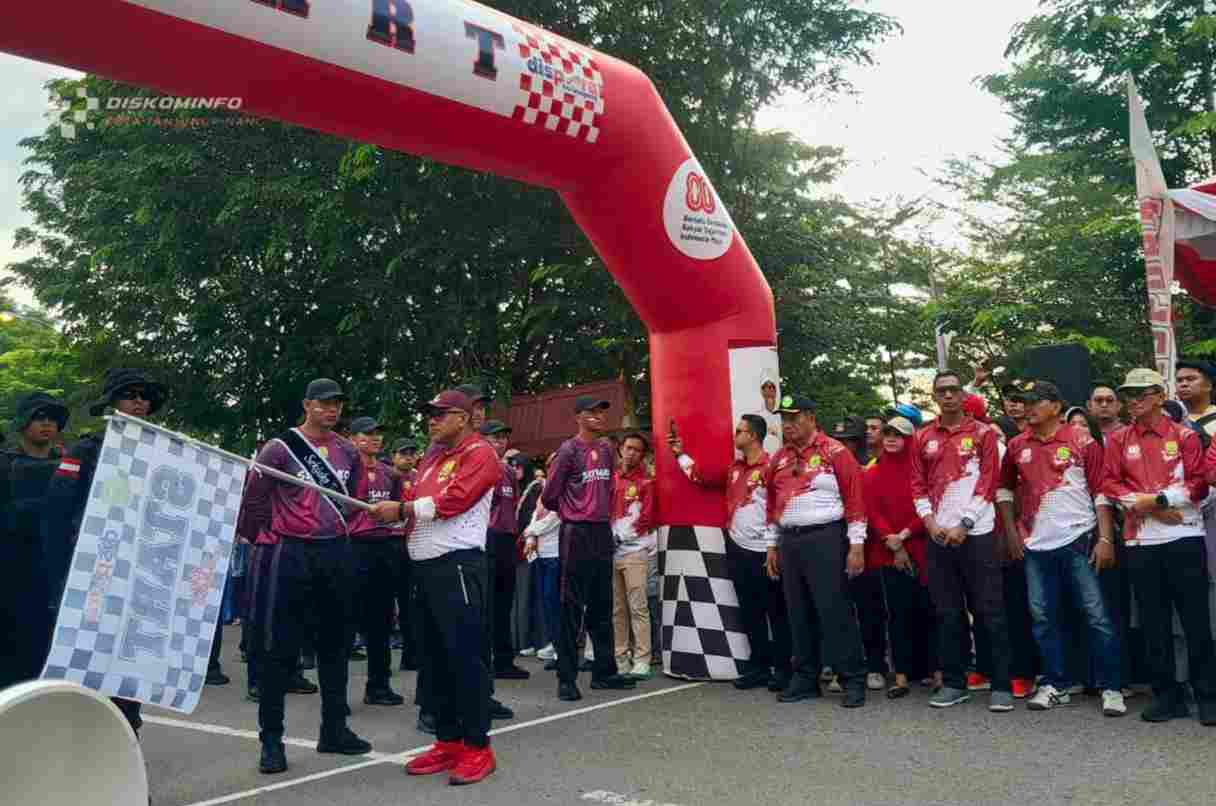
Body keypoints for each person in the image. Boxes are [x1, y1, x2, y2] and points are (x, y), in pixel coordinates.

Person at [239, 378, 373, 774]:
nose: (332, 410)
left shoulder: (348, 451)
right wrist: (270, 536)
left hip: (335, 551)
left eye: (337, 404)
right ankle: (271, 741)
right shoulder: (280, 447)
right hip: (290, 552)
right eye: (324, 403)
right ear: (307, 405)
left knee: (335, 644)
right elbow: (254, 499)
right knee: (279, 649)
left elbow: (356, 500)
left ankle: (334, 730)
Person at [368, 388, 501, 784]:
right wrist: (394, 514)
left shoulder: (480, 453)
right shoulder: (431, 458)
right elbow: (416, 503)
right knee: (433, 658)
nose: (432, 420)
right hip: (423, 568)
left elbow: (454, 500)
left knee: (465, 657)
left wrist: (402, 508)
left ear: (463, 417)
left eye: (440, 414)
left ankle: (477, 746)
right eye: (430, 414)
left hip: (458, 565)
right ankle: (448, 740)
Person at [42, 368, 169, 738]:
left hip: (140, 577)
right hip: (91, 575)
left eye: (144, 396)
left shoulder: (162, 452)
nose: (139, 402)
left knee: (129, 669)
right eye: (130, 395)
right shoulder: (86, 450)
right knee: (88, 668)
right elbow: (56, 513)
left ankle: (126, 746)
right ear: (113, 402)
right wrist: (61, 577)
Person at [996, 381, 1126, 716]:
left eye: (1034, 402)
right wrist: (1011, 533)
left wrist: (1105, 538)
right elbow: (1004, 490)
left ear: (1055, 406)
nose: (1027, 408)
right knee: (1043, 618)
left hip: (1079, 539)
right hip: (1035, 545)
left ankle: (1111, 687)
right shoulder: (1016, 445)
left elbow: (1101, 491)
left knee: (1096, 615)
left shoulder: (1082, 439)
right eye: (1023, 402)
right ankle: (1056, 684)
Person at [1106, 369, 1215, 725]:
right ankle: (1167, 696)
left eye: (1141, 394)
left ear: (1159, 395)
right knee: (1153, 622)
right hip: (1141, 539)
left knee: (1196, 620)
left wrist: (1161, 499)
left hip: (1184, 535)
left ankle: (1207, 695)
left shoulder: (1185, 435)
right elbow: (1110, 483)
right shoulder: (1118, 439)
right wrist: (1148, 506)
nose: (1133, 401)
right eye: (1128, 394)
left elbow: (1199, 483)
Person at [910, 370, 1014, 712]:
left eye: (954, 390)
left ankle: (1001, 684)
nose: (949, 395)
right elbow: (917, 485)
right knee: (947, 613)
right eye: (942, 391)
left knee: (990, 611)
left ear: (962, 395)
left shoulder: (983, 433)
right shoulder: (923, 436)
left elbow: (989, 481)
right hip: (939, 536)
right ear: (934, 396)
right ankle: (955, 683)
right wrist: (930, 522)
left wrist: (966, 523)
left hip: (977, 533)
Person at [670, 414, 792, 694]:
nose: (735, 435)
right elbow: (700, 477)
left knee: (777, 611)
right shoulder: (735, 468)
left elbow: (781, 506)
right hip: (737, 547)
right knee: (749, 611)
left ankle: (784, 669)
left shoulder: (772, 465)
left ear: (753, 436)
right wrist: (679, 455)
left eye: (739, 431)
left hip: (767, 550)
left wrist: (774, 545)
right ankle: (759, 666)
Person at [765, 394, 868, 708]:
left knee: (833, 610)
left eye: (794, 417)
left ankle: (852, 678)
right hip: (790, 540)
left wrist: (856, 545)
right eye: (784, 418)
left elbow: (855, 500)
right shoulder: (779, 458)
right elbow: (771, 506)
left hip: (826, 537)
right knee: (797, 612)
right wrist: (772, 545)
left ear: (810, 417)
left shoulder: (835, 451)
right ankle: (805, 678)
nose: (788, 424)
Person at [542, 396, 636, 702]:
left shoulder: (606, 450)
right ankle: (566, 678)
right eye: (591, 412)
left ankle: (604, 673)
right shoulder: (568, 450)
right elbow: (550, 496)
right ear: (578, 417)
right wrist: (574, 511)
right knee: (570, 607)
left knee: (602, 605)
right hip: (575, 532)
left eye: (601, 412)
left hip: (600, 531)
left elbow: (607, 490)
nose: (598, 416)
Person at [863, 416, 935, 699]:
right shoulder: (872, 473)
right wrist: (893, 541)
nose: (891, 438)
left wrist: (903, 536)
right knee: (897, 613)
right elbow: (873, 512)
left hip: (922, 545)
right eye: (888, 433)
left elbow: (928, 506)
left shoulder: (922, 470)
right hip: (888, 549)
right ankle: (901, 677)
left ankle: (936, 672)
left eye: (898, 434)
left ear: (910, 439)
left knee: (929, 609)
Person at [1, 392, 68, 689]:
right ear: (23, 422)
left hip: (55, 576)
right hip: (11, 575)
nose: (47, 424)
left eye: (53, 419)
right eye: (39, 417)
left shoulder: (70, 467)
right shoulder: (4, 464)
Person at [346, 416, 406, 706]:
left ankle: (378, 685)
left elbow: (395, 509)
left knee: (381, 620)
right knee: (345, 619)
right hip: (353, 547)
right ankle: (336, 696)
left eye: (378, 433)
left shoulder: (390, 474)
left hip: (383, 546)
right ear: (353, 438)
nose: (375, 438)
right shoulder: (344, 470)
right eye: (367, 433)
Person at [481, 419, 529, 682]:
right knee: (486, 604)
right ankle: (483, 661)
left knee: (504, 603)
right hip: (486, 538)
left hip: (508, 539)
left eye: (503, 437)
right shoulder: (478, 466)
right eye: (494, 436)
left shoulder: (509, 471)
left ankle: (503, 660)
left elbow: (513, 506)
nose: (500, 441)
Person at [609, 433, 657, 680]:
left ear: (643, 455)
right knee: (617, 609)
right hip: (611, 553)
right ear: (620, 449)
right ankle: (620, 657)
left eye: (637, 450)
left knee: (638, 607)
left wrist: (619, 537)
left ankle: (642, 659)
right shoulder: (612, 479)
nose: (631, 453)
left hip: (635, 551)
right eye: (628, 448)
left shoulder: (647, 483)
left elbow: (646, 519)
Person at [523, 454, 562, 666]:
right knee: (546, 601)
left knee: (554, 601)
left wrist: (530, 532)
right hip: (540, 553)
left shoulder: (564, 488)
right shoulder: (544, 490)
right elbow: (534, 516)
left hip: (556, 554)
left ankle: (561, 648)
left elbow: (554, 517)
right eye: (549, 465)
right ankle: (554, 642)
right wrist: (530, 536)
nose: (551, 468)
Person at [390, 438, 419, 671]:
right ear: (393, 456)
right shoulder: (386, 476)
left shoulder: (420, 478)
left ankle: (411, 655)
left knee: (409, 602)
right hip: (387, 540)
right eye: (403, 453)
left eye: (411, 453)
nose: (408, 458)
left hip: (411, 541)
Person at [757, 372, 782, 455]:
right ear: (762, 391)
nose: (770, 389)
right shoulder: (757, 416)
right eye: (766, 386)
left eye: (772, 386)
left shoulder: (782, 415)